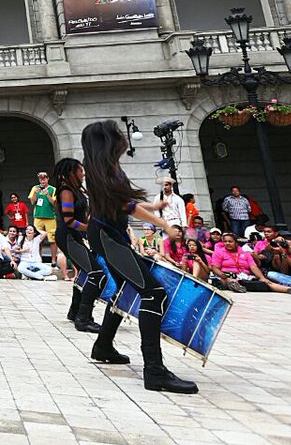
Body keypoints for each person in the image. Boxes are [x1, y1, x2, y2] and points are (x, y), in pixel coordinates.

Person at [82, 119, 198, 394]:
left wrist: (153, 205)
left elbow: (124, 202)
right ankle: (154, 370)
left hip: (108, 234)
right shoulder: (104, 170)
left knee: (125, 289)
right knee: (153, 293)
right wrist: (164, 225)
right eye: (118, 135)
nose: (123, 138)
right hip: (109, 236)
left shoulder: (102, 168)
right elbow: (126, 206)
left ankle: (103, 345)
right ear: (109, 141)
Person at [55, 156, 107, 334]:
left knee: (87, 272)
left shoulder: (75, 190)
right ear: (71, 173)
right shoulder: (66, 191)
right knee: (96, 274)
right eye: (80, 170)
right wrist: (89, 228)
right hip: (68, 236)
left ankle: (74, 311)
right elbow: (69, 220)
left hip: (73, 236)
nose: (82, 173)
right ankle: (83, 318)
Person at [209, 232, 291, 294]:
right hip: (226, 276)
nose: (227, 243)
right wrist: (222, 275)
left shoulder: (245, 254)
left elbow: (253, 267)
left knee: (267, 282)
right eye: (225, 241)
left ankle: (290, 290)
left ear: (236, 243)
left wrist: (262, 278)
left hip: (245, 276)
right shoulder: (219, 253)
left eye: (230, 241)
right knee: (230, 280)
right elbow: (215, 267)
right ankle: (236, 286)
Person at [27, 171, 58, 245]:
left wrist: (47, 195)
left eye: (44, 179)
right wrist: (35, 193)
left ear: (48, 179)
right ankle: (38, 256)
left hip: (50, 217)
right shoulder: (35, 188)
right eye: (41, 179)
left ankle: (53, 257)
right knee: (38, 239)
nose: (42, 181)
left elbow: (54, 204)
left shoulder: (53, 189)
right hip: (38, 216)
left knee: (52, 240)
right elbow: (32, 202)